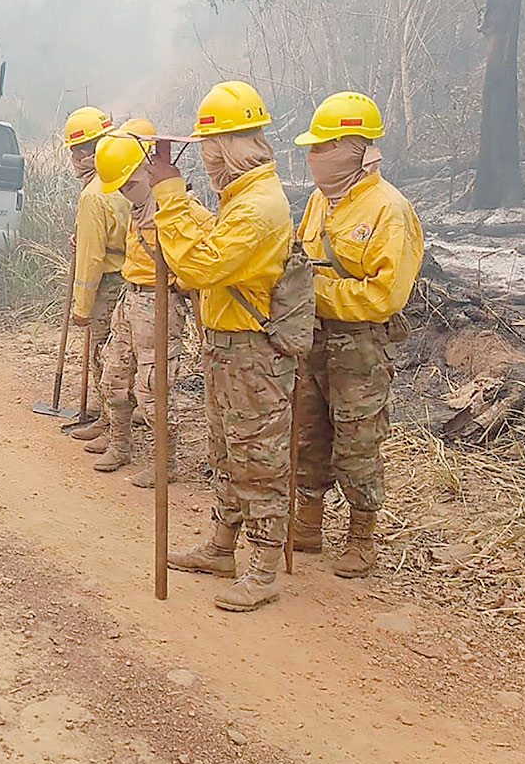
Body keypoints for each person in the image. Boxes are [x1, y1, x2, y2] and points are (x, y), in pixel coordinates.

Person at [149, 81, 295, 612]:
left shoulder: (258, 207)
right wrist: (179, 203)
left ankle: (263, 569)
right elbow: (210, 247)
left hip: (252, 352)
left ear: (225, 149)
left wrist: (168, 196)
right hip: (227, 345)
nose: (206, 163)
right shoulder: (240, 200)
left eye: (207, 152)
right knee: (227, 451)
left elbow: (201, 265)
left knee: (257, 456)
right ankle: (221, 546)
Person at [290, 92, 423, 577]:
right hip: (314, 340)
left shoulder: (390, 210)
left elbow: (386, 295)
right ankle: (306, 525)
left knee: (357, 440)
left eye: (324, 148)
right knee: (308, 432)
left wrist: (316, 293)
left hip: (360, 345)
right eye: (313, 149)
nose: (314, 159)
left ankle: (361, 536)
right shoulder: (319, 204)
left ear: (353, 147)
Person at [91, 124, 187, 488]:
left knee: (153, 387)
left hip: (159, 301)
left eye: (130, 186)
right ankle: (120, 444)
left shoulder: (176, 208)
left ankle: (166, 462)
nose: (126, 195)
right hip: (130, 297)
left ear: (149, 172)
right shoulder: (137, 208)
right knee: (113, 374)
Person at [63, 106, 130, 447]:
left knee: (104, 357)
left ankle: (112, 426)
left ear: (86, 151)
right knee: (118, 355)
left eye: (76, 151)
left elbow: (90, 260)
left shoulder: (93, 196)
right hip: (129, 279)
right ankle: (107, 420)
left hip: (107, 284)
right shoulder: (124, 180)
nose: (74, 157)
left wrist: (81, 308)